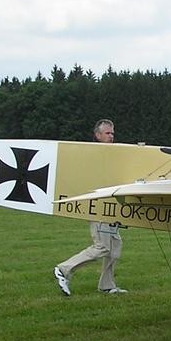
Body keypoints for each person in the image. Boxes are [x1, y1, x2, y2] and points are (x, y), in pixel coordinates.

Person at [53, 119, 127, 296]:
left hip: (110, 208)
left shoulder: (112, 154)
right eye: (107, 133)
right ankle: (63, 269)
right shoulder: (92, 155)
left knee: (115, 247)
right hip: (97, 207)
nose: (111, 136)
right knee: (103, 247)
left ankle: (106, 285)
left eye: (112, 133)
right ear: (98, 135)